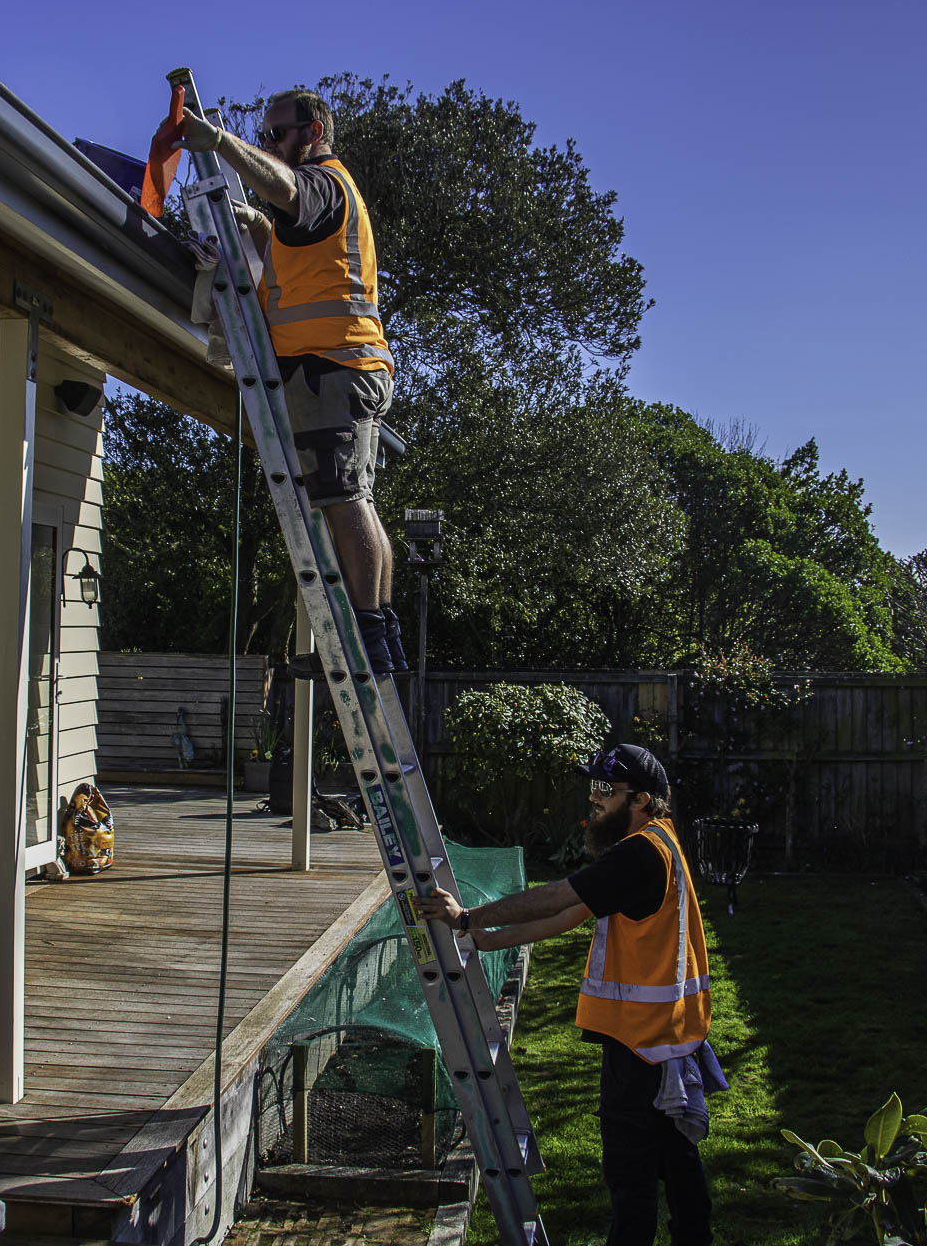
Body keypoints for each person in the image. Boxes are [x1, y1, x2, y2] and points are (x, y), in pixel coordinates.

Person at [413, 744, 716, 1246]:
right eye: (592, 787)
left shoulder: (640, 853)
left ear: (640, 799)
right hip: (666, 1039)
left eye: (605, 791)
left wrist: (470, 918)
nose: (593, 800)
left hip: (641, 1046)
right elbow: (566, 916)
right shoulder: (656, 842)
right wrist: (482, 938)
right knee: (675, 1157)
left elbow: (560, 895)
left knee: (632, 1174)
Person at [172, 88, 405, 673]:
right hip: (342, 367)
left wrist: (221, 143)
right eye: (265, 134)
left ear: (315, 132)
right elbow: (291, 250)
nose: (271, 143)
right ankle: (379, 640)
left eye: (278, 134)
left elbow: (290, 190)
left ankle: (364, 646)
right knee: (353, 499)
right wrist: (249, 226)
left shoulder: (324, 182)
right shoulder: (319, 208)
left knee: (343, 500)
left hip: (331, 367)